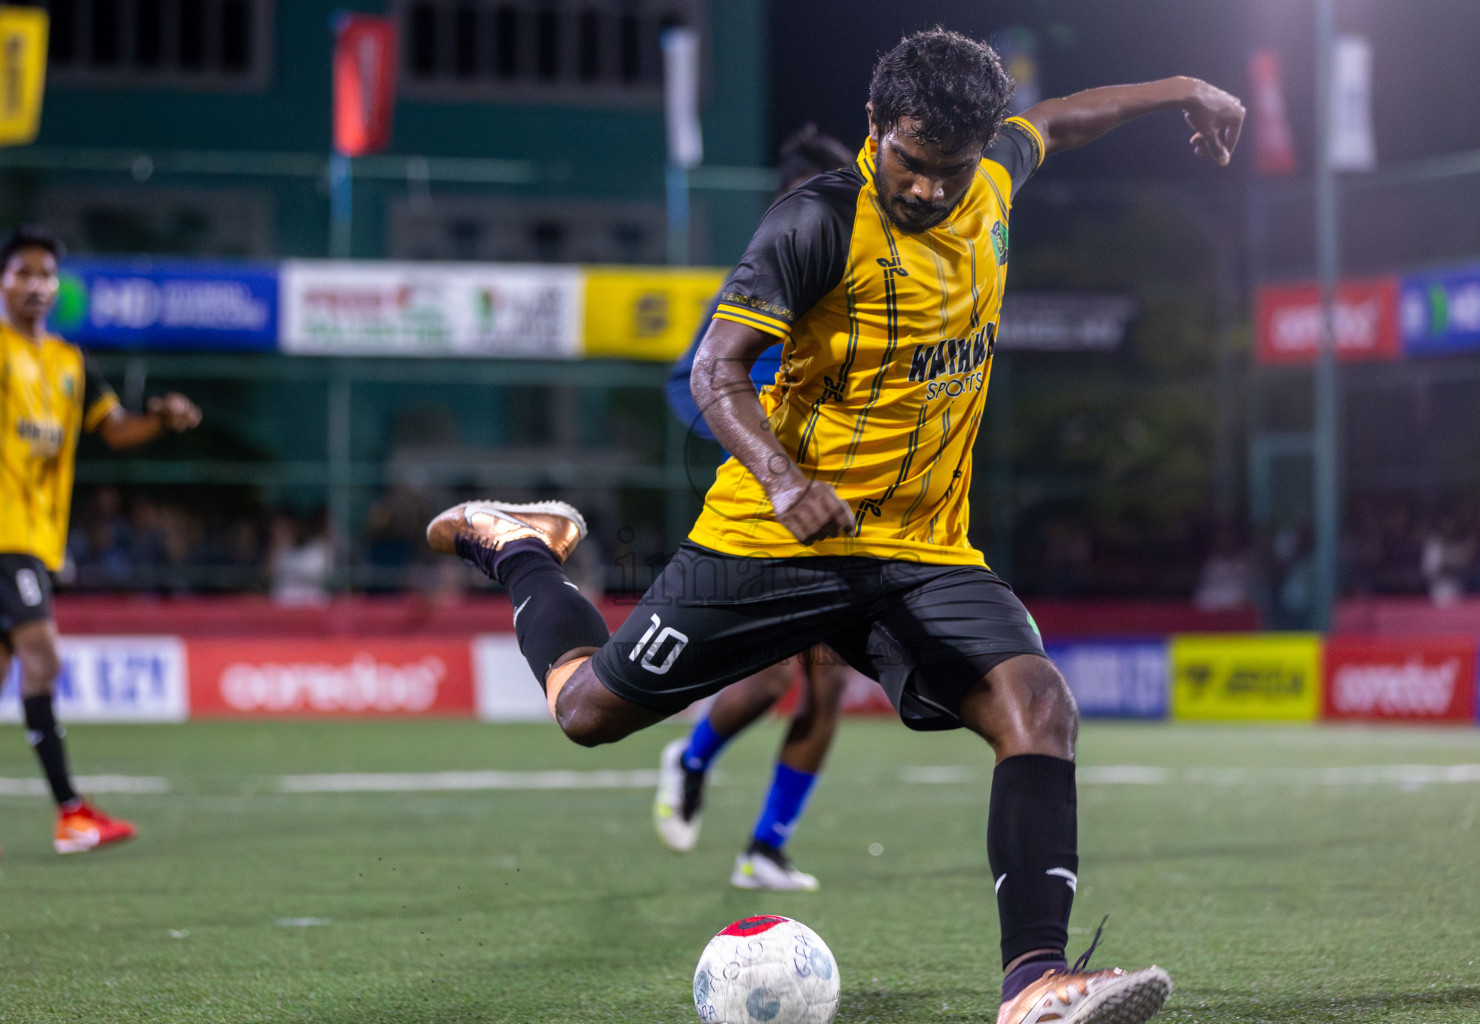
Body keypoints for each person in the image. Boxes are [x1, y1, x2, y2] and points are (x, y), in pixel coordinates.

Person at [429, 30, 1243, 1024]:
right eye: (910, 161)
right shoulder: (815, 222)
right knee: (587, 712)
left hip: (923, 549)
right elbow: (715, 370)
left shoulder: (991, 176)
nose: (930, 189)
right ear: (872, 125)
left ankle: (1035, 982)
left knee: (1038, 704)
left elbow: (1064, 120)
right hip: (776, 540)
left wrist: (1184, 88)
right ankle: (519, 544)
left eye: (951, 169)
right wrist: (779, 477)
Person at [654, 124, 860, 893]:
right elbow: (690, 380)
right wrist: (765, 460)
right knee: (776, 680)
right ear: (790, 196)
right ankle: (693, 757)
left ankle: (766, 848)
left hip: (839, 504)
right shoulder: (764, 268)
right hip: (771, 504)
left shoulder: (852, 269)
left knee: (831, 682)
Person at [0, 226, 202, 855]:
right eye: (22, 273)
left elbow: (114, 430)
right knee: (44, 657)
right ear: (2, 282)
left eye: (45, 275)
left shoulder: (69, 362)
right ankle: (70, 812)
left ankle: (71, 814)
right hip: (5, 536)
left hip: (37, 537)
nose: (36, 285)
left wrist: (160, 420)